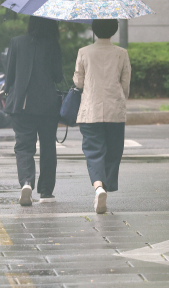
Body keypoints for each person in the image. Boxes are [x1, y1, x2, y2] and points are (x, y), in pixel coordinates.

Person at [73, 19, 131, 214]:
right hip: (115, 110)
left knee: (93, 151)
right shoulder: (122, 53)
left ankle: (98, 187)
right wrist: (121, 99)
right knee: (113, 151)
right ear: (114, 30)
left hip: (91, 110)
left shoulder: (84, 52)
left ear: (94, 30)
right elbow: (125, 83)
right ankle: (104, 188)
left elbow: (79, 83)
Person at [5, 16, 63, 206]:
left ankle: (26, 183)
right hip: (47, 105)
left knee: (23, 146)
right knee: (48, 146)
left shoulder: (16, 42)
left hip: (22, 104)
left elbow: (10, 75)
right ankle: (46, 191)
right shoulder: (53, 45)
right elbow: (57, 75)